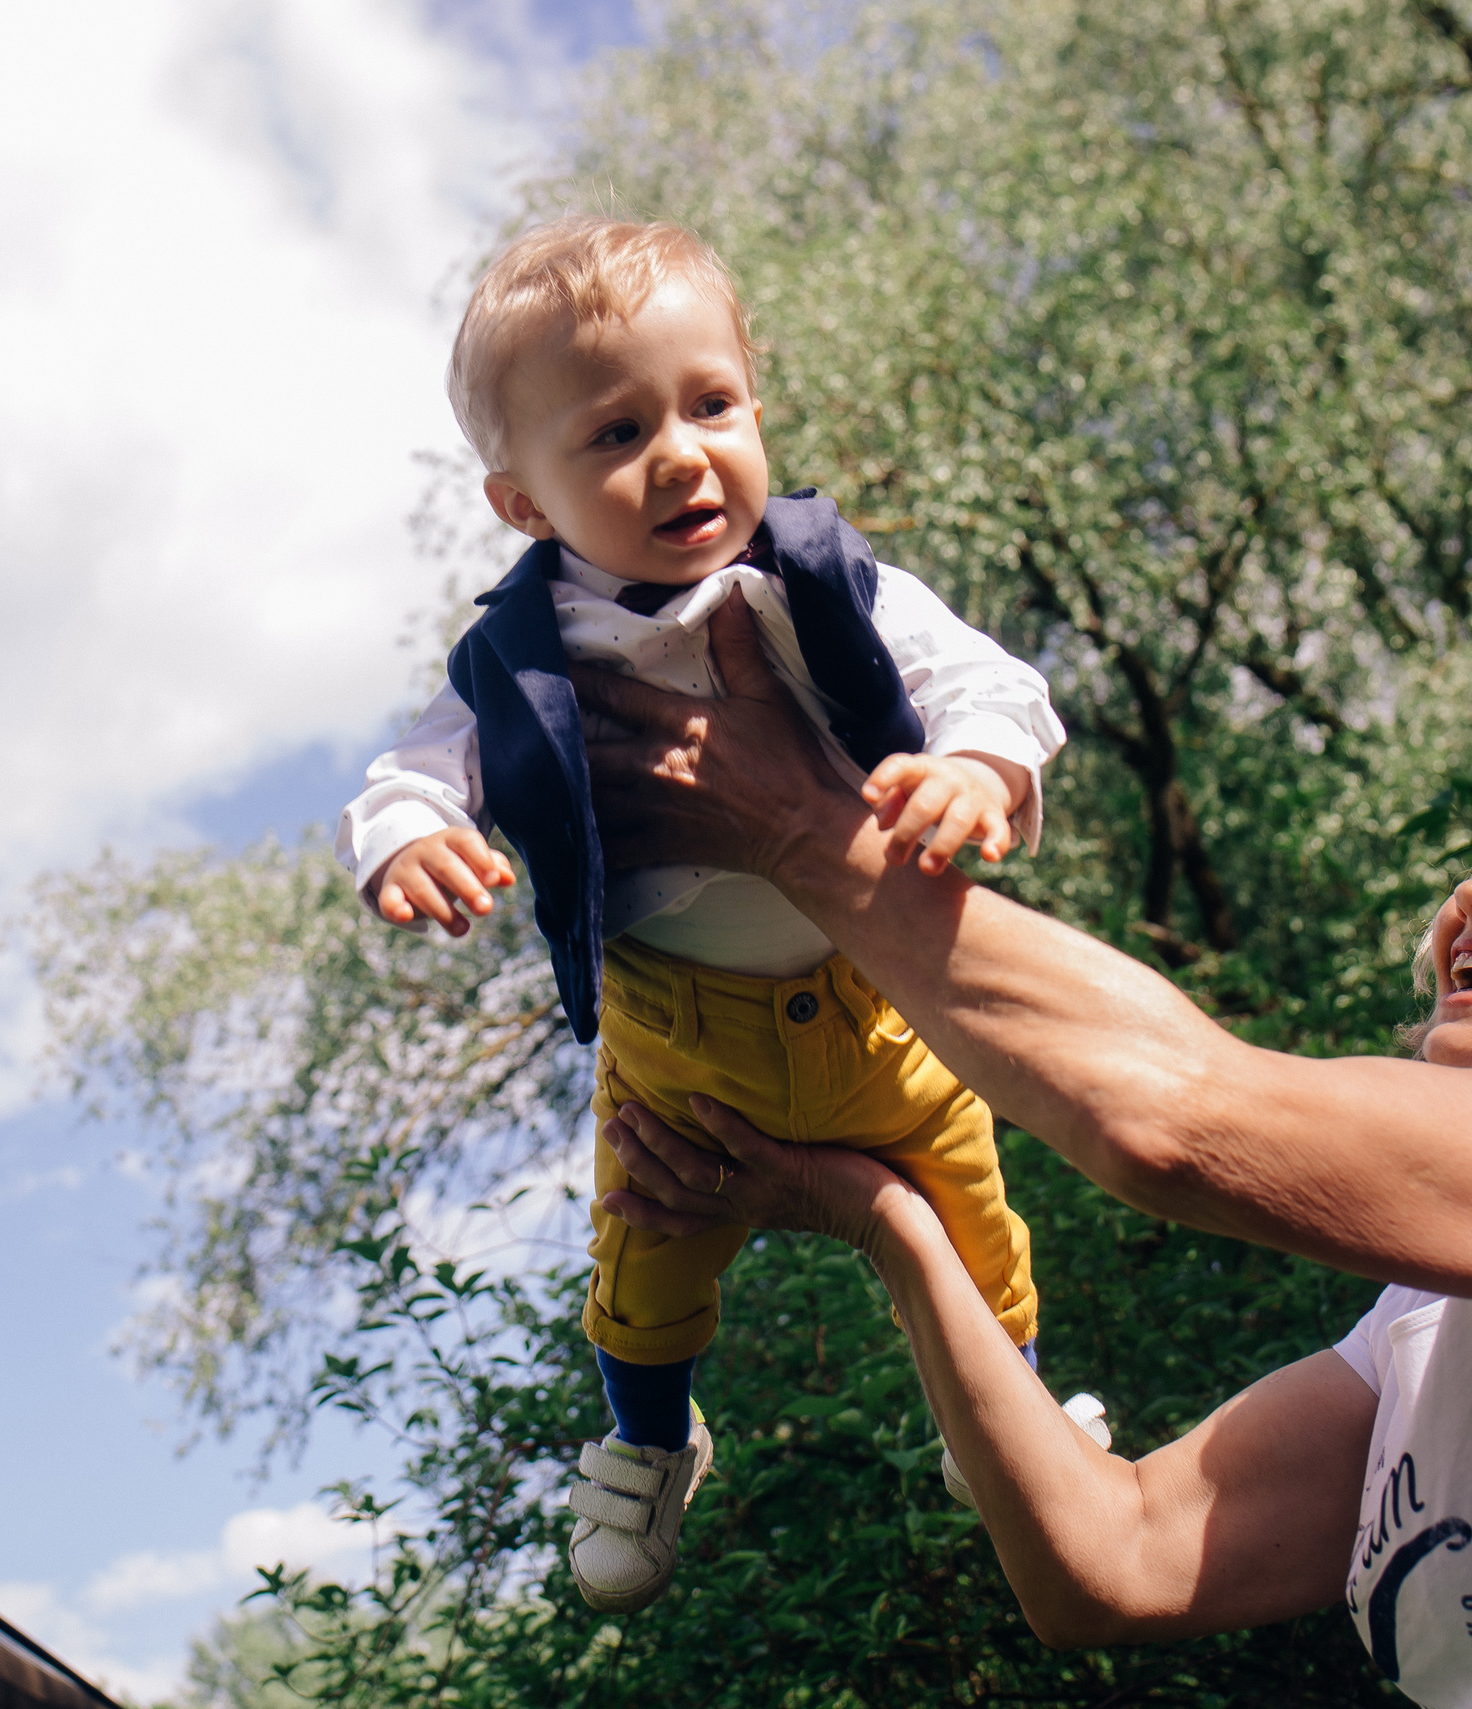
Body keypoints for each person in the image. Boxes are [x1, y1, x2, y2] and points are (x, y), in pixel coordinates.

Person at [577, 598, 1472, 1704]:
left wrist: (804, 834)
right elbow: (1113, 1559)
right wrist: (885, 1216)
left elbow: (1174, 1115)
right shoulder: (1421, 1327)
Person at [334, 216, 1070, 1614]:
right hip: (676, 1038)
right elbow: (413, 771)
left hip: (873, 999)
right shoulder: (520, 647)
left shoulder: (824, 580)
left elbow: (990, 683)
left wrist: (976, 766)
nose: (680, 454)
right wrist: (414, 839)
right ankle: (651, 1441)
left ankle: (1006, 1419)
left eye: (711, 405)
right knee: (644, 1249)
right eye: (614, 434)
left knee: (975, 1220)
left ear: (754, 402)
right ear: (525, 503)